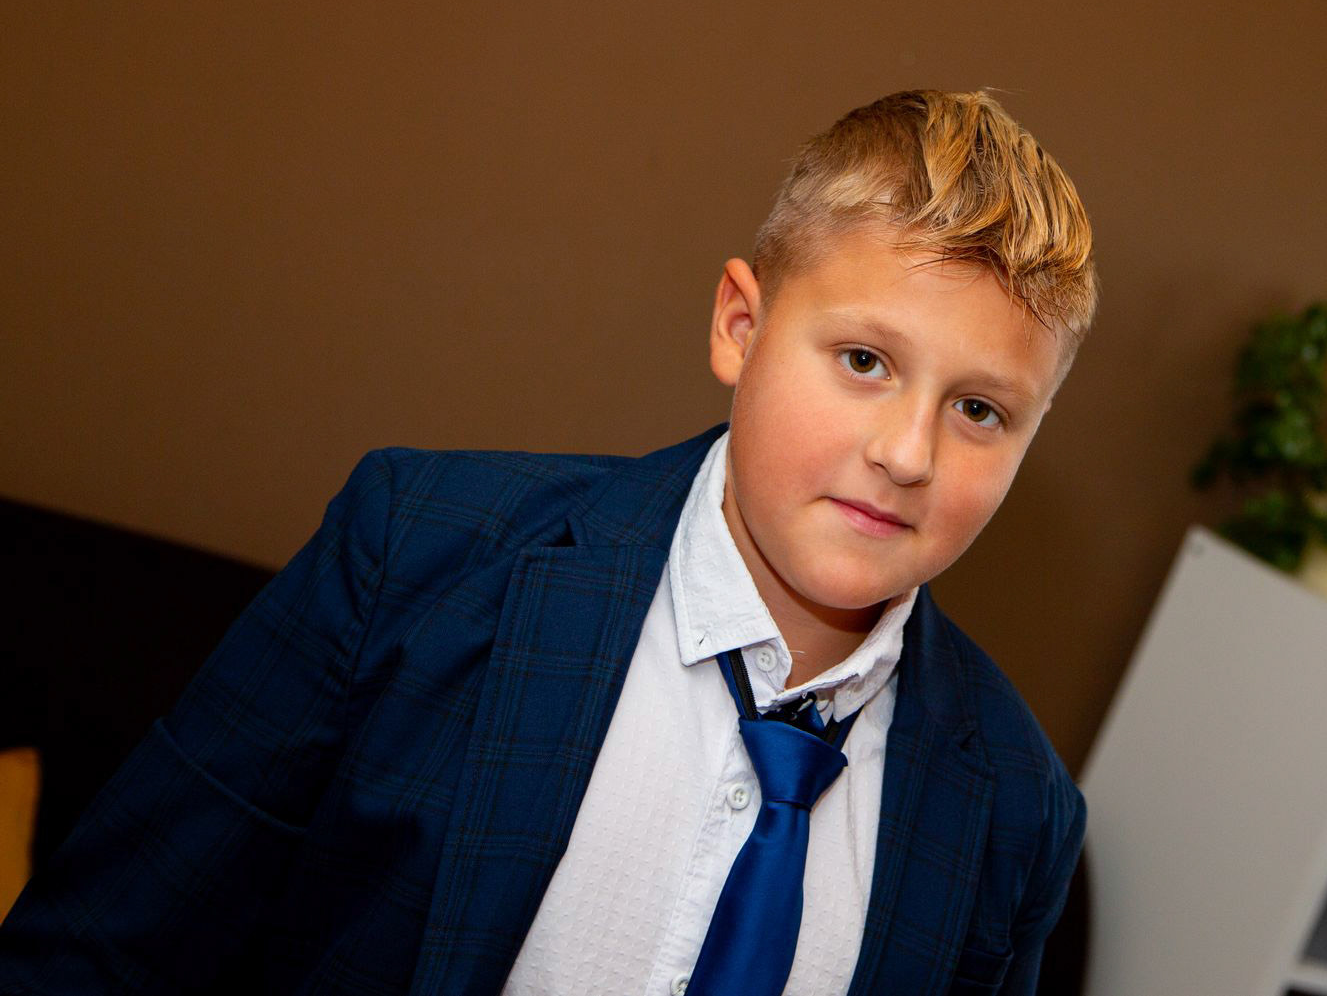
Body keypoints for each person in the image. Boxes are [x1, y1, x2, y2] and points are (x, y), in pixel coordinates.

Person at [0, 90, 1097, 995]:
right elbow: (100, 949)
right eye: (863, 360)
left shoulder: (1016, 812)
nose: (906, 452)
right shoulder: (416, 553)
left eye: (980, 410)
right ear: (741, 326)